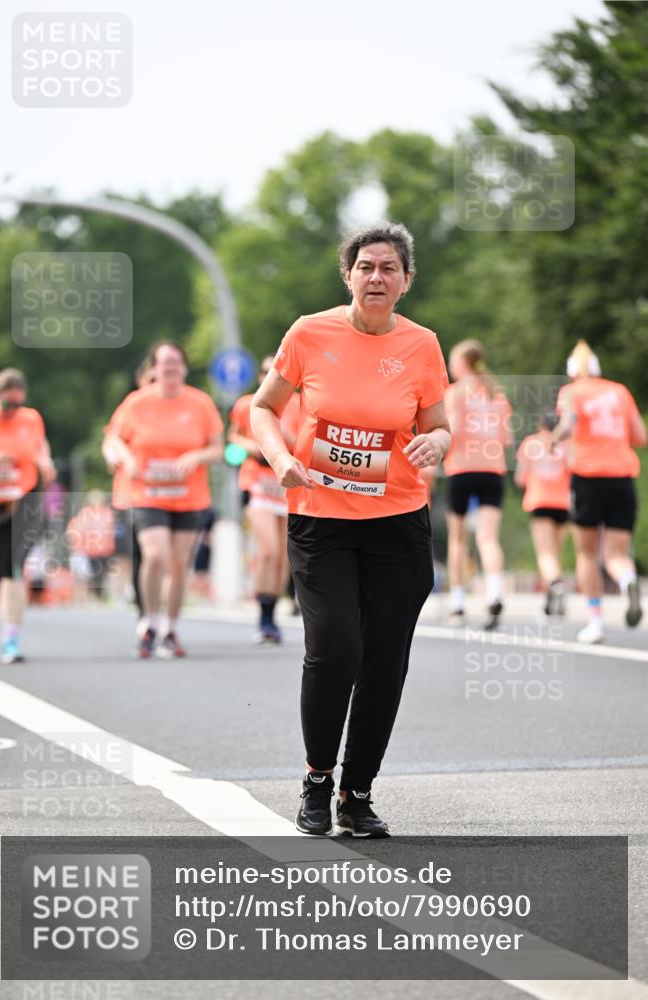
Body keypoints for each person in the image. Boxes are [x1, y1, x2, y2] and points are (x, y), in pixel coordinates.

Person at [251, 223, 450, 837]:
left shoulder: (422, 346)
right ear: (348, 275)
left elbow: (439, 425)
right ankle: (317, 777)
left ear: (406, 281)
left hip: (397, 523)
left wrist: (436, 444)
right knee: (337, 646)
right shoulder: (310, 333)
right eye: (366, 266)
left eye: (389, 269)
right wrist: (282, 459)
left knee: (386, 659)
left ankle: (356, 792)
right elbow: (263, 408)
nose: (376, 278)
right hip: (322, 521)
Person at [104, 342, 224, 658]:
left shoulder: (201, 404)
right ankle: (149, 622)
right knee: (155, 555)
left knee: (179, 564)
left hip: (188, 496)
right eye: (163, 363)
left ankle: (170, 629)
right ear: (154, 369)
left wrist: (194, 456)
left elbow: (217, 449)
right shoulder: (137, 402)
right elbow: (113, 439)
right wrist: (126, 458)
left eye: (175, 362)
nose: (170, 368)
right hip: (145, 493)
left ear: (184, 368)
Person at [552, 341, 646, 643]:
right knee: (616, 554)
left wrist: (554, 440)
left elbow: (568, 423)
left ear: (571, 373)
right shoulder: (619, 391)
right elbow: (640, 436)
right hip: (622, 478)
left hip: (588, 478)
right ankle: (628, 580)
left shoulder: (571, 392)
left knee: (587, 553)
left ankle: (595, 622)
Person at [0, 368, 56, 662]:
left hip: (18, 502)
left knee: (12, 570)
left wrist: (44, 461)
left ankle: (11, 640)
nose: (12, 411)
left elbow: (39, 446)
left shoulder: (31, 419)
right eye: (6, 404)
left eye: (17, 404)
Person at [228, 357, 300, 642]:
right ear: (260, 376)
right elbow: (233, 436)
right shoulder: (247, 403)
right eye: (266, 371)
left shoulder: (298, 404)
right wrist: (251, 446)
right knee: (268, 549)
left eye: (277, 371)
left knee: (283, 557)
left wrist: (282, 433)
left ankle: (271, 616)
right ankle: (263, 617)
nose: (271, 376)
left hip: (285, 484)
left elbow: (301, 443)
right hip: (256, 482)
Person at [443, 339, 513, 630]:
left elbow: (453, 430)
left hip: (461, 468)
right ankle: (494, 591)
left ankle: (458, 604)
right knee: (488, 538)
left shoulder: (456, 392)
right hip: (492, 469)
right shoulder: (497, 394)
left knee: (458, 539)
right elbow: (506, 438)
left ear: (461, 363)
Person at [102, 358, 156, 618]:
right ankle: (145, 612)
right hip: (131, 494)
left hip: (169, 496)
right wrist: (117, 457)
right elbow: (110, 440)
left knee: (157, 554)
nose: (155, 386)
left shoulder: (180, 405)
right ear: (141, 381)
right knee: (139, 554)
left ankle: (157, 611)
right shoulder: (132, 404)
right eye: (151, 381)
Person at [514, 412, 571, 617]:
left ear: (541, 425)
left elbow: (520, 478)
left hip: (540, 502)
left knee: (545, 553)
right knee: (556, 553)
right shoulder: (566, 444)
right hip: (563, 503)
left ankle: (555, 584)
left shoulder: (531, 444)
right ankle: (550, 601)